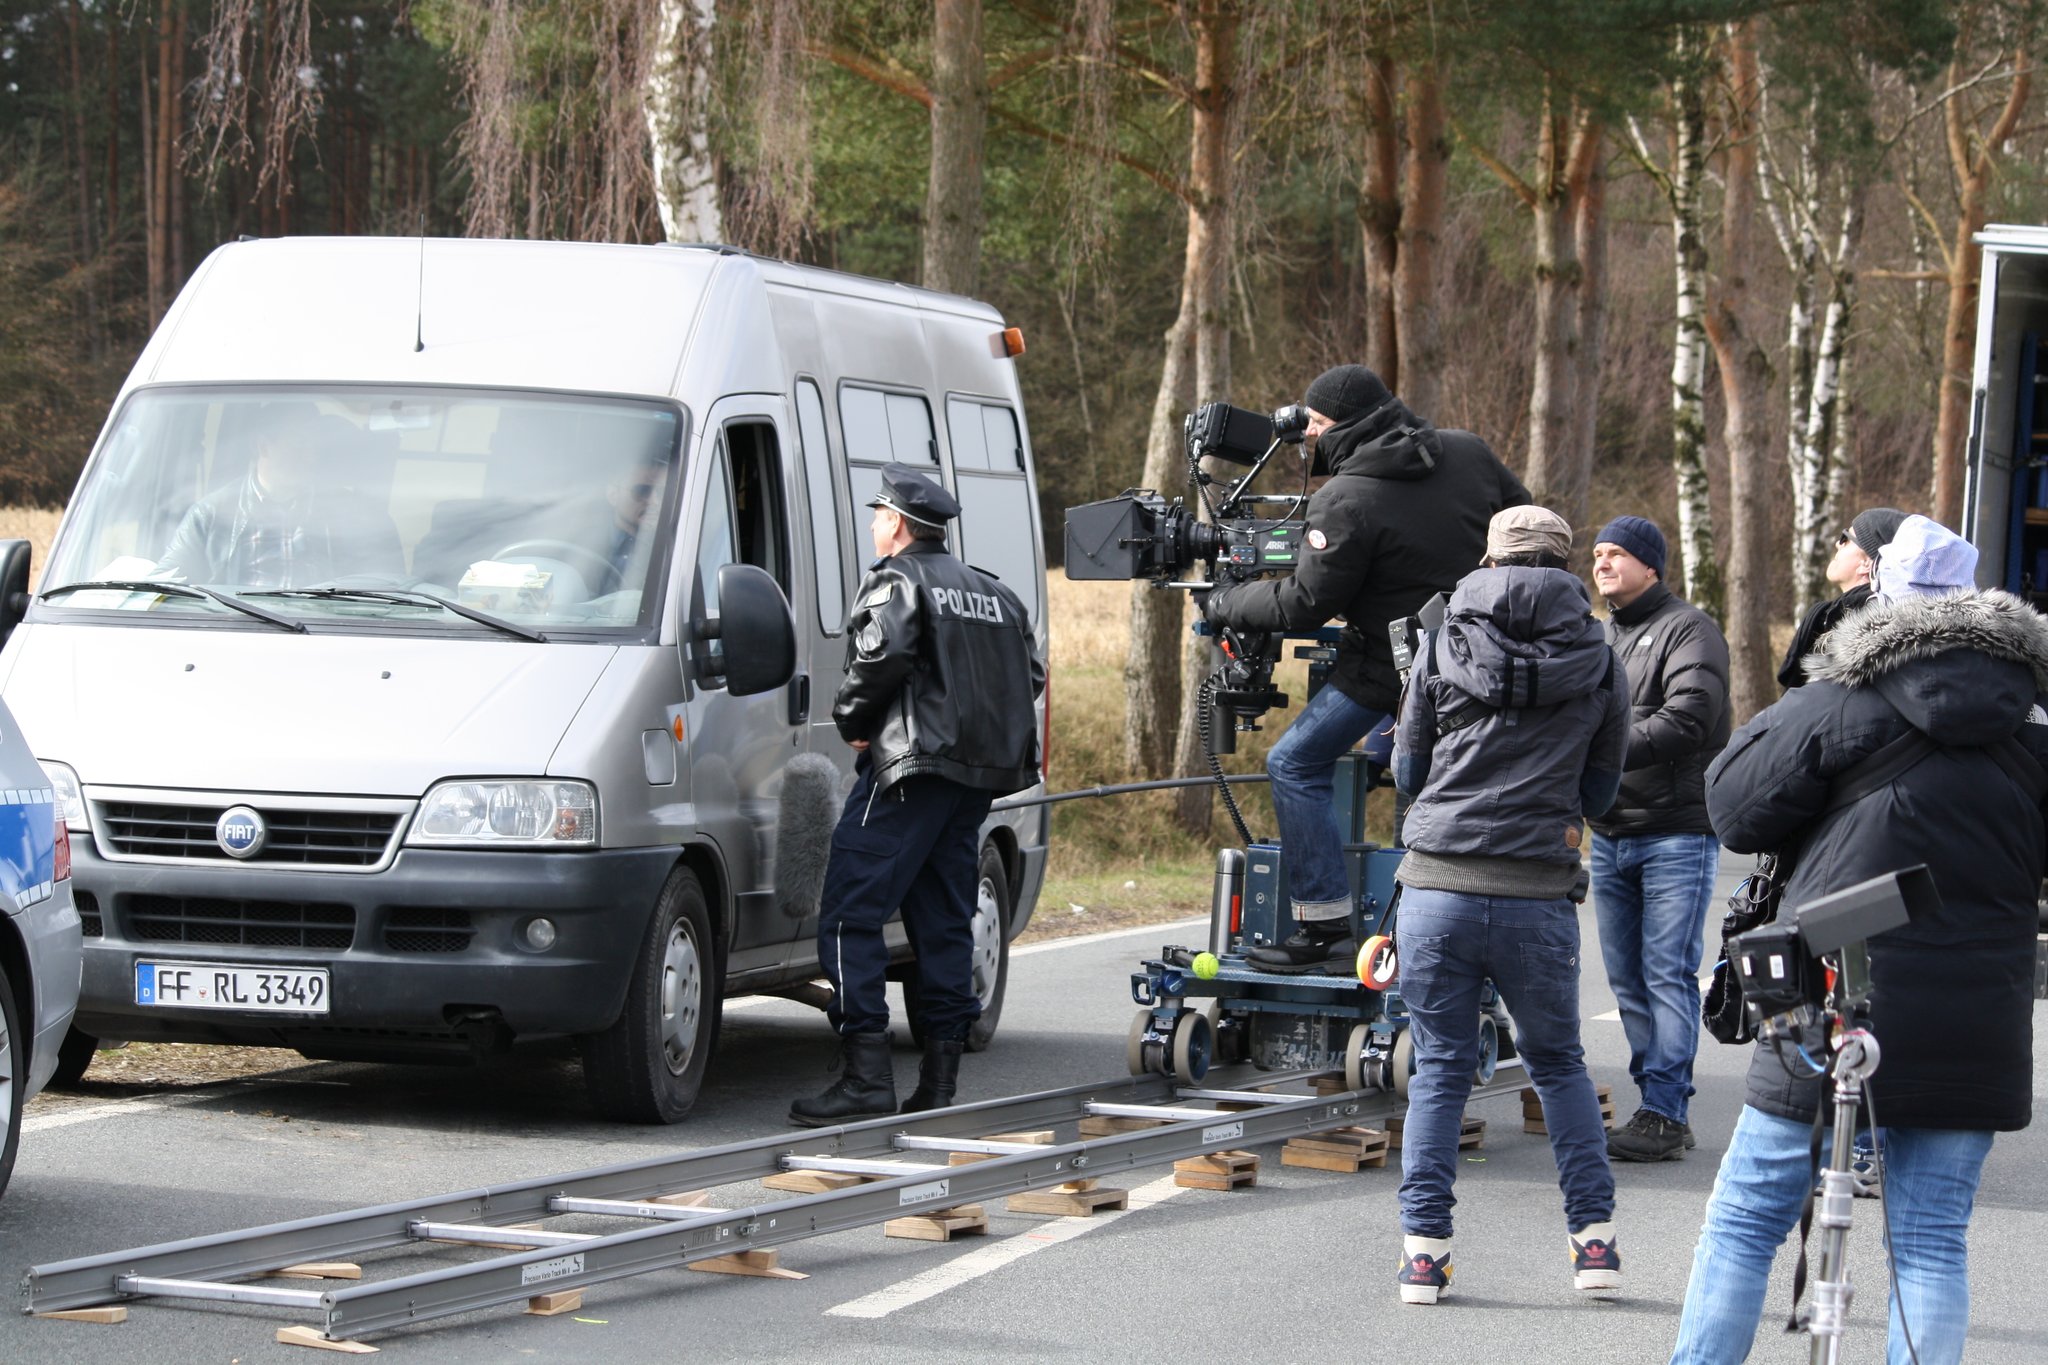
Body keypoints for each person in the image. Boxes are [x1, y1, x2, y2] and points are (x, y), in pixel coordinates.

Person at [1671, 516, 2048, 1364]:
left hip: (1832, 996)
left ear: (1881, 595)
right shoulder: (2034, 720)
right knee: (1932, 1239)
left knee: (1745, 1218)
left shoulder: (1840, 697)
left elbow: (1732, 807)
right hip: (1978, 1013)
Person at [1203, 364, 1528, 971]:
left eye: (1315, 422)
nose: (1308, 434)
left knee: (1294, 763)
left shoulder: (1344, 498)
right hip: (1484, 656)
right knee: (1435, 781)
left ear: (1343, 424)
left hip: (1388, 667)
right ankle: (1436, 931)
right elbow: (1524, 526)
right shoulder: (1468, 452)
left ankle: (1325, 926)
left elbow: (1303, 604)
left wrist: (1226, 603)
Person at [1389, 505, 1630, 1304]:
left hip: (1438, 888)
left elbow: (1407, 769)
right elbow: (1602, 788)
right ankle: (1594, 1247)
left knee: (1440, 1068)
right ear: (1564, 565)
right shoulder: (1600, 657)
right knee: (1558, 1064)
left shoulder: (1440, 640)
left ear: (1488, 561)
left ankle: (1424, 1257)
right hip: (1536, 893)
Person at [789, 463, 1045, 1126]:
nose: (875, 527)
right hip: (972, 783)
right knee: (943, 922)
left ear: (898, 524)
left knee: (848, 914)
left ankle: (865, 1076)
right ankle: (939, 1081)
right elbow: (1031, 675)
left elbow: (880, 658)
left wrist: (853, 722)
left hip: (906, 773)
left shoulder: (896, 580)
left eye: (879, 516)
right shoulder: (995, 593)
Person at [1586, 515, 1730, 1161]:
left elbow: (1690, 718)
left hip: (1675, 833)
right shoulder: (1597, 637)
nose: (1603, 563)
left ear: (1651, 565)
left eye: (1616, 553)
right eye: (1597, 553)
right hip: (1610, 831)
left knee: (1665, 975)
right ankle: (1659, 1105)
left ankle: (1666, 1112)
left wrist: (1599, 751)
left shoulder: (1690, 629)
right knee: (1627, 981)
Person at [156, 410, 402, 588]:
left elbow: (388, 587)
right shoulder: (210, 514)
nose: (311, 455)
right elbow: (165, 584)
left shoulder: (355, 514)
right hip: (236, 631)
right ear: (262, 446)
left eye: (315, 445)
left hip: (325, 633)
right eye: (300, 444)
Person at [1775, 506, 1907, 689]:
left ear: (1867, 564)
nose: (1838, 544)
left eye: (1846, 538)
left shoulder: (1854, 635)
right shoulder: (1883, 627)